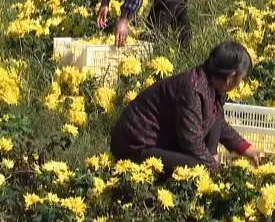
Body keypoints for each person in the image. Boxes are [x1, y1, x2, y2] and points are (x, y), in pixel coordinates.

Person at [110, 41, 262, 174]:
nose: (240, 83)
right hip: (135, 146)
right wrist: (214, 169)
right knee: (199, 166)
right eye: (241, 78)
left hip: (162, 141)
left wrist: (243, 147)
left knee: (216, 115)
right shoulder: (192, 89)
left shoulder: (211, 85)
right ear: (230, 78)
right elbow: (191, 141)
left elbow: (215, 119)